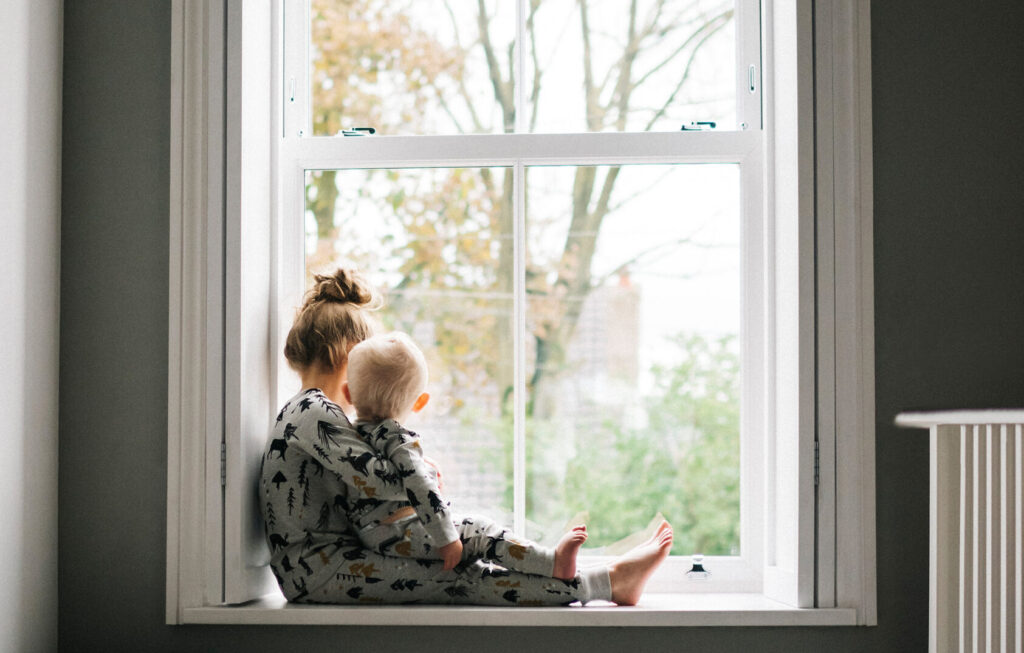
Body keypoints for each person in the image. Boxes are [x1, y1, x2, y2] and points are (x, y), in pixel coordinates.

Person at [259, 268, 673, 606]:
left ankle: (601, 581)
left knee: (458, 559)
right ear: (348, 352)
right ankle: (605, 584)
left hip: (323, 564)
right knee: (454, 577)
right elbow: (381, 483)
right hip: (317, 570)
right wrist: (419, 473)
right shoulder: (314, 411)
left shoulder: (311, 412)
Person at [343, 330, 588, 580]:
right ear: (420, 402)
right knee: (481, 531)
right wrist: (446, 537)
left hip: (370, 534)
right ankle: (552, 563)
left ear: (348, 394)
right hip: (399, 531)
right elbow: (421, 487)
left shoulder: (347, 436)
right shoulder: (399, 440)